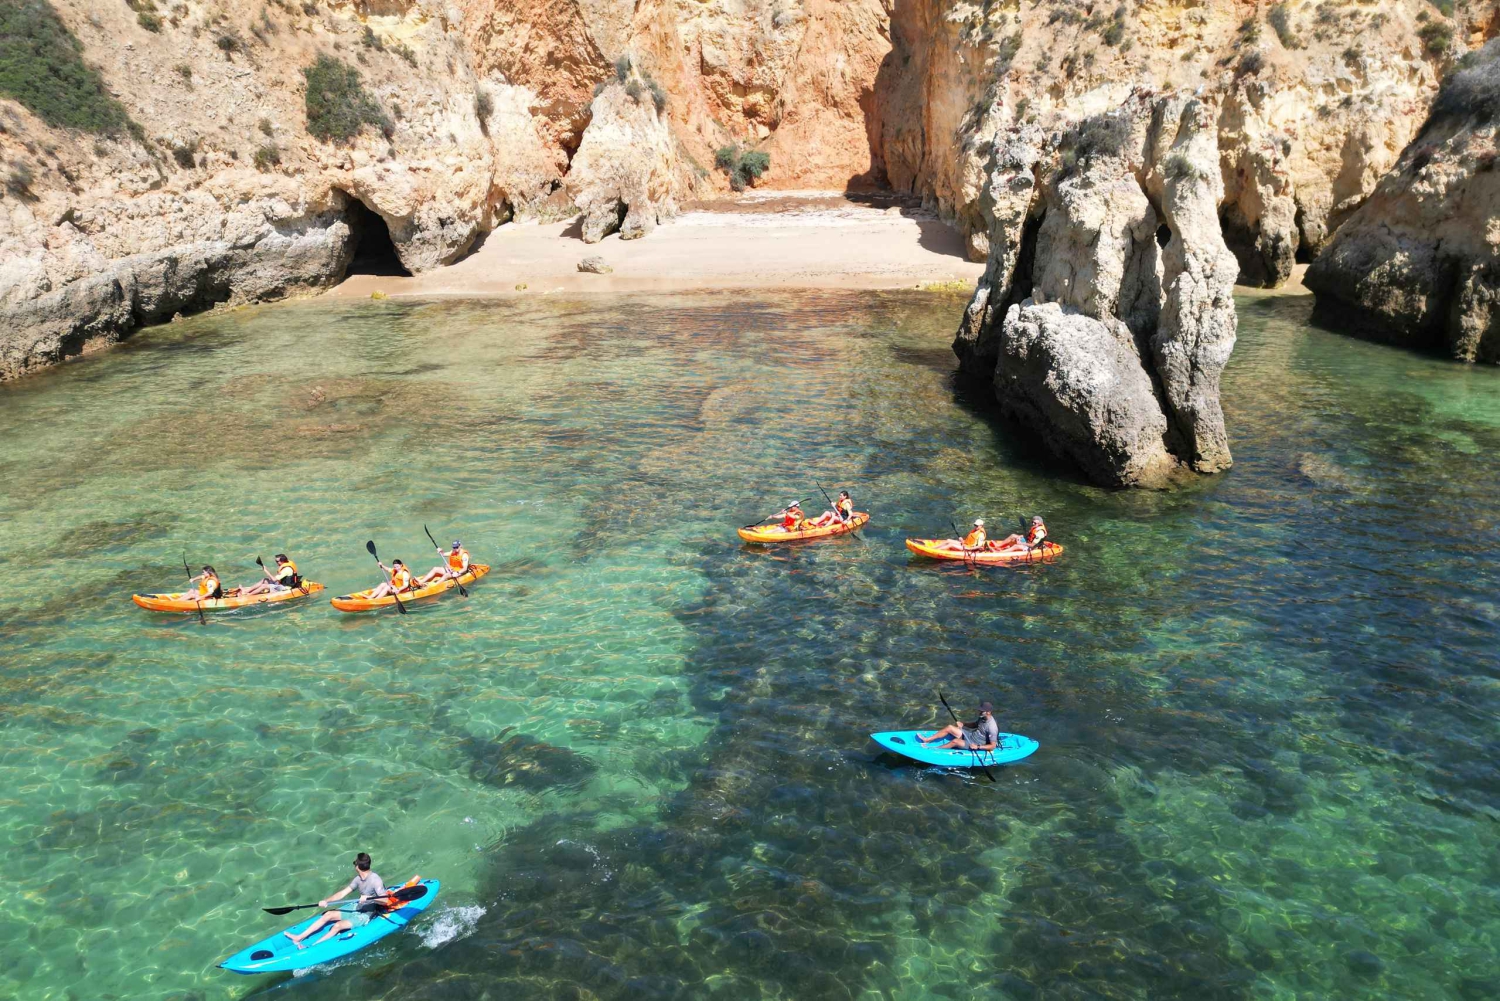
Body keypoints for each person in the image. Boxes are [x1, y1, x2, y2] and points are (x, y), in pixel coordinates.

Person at [284, 853, 390, 950]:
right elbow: (342, 893)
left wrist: (369, 897)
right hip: (357, 907)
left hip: (366, 915)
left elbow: (385, 900)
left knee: (337, 926)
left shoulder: (375, 880)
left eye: (355, 863)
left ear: (357, 866)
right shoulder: (358, 879)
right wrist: (326, 901)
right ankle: (299, 937)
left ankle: (311, 948)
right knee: (328, 915)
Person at [916, 701, 999, 753]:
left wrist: (977, 747)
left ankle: (935, 750)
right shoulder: (982, 717)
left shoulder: (992, 727)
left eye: (982, 711)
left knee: (955, 741)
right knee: (949, 727)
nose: (979, 712)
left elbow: (992, 746)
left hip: (975, 743)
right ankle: (927, 740)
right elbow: (975, 725)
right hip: (971, 736)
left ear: (988, 712)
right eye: (980, 710)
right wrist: (964, 724)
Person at [230, 555, 302, 597]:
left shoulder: (287, 569)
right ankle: (246, 590)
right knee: (264, 580)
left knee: (264, 586)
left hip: (285, 587)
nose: (276, 563)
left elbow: (274, 580)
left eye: (277, 561)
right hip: (281, 583)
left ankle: (248, 595)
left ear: (282, 561)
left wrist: (266, 571)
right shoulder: (285, 565)